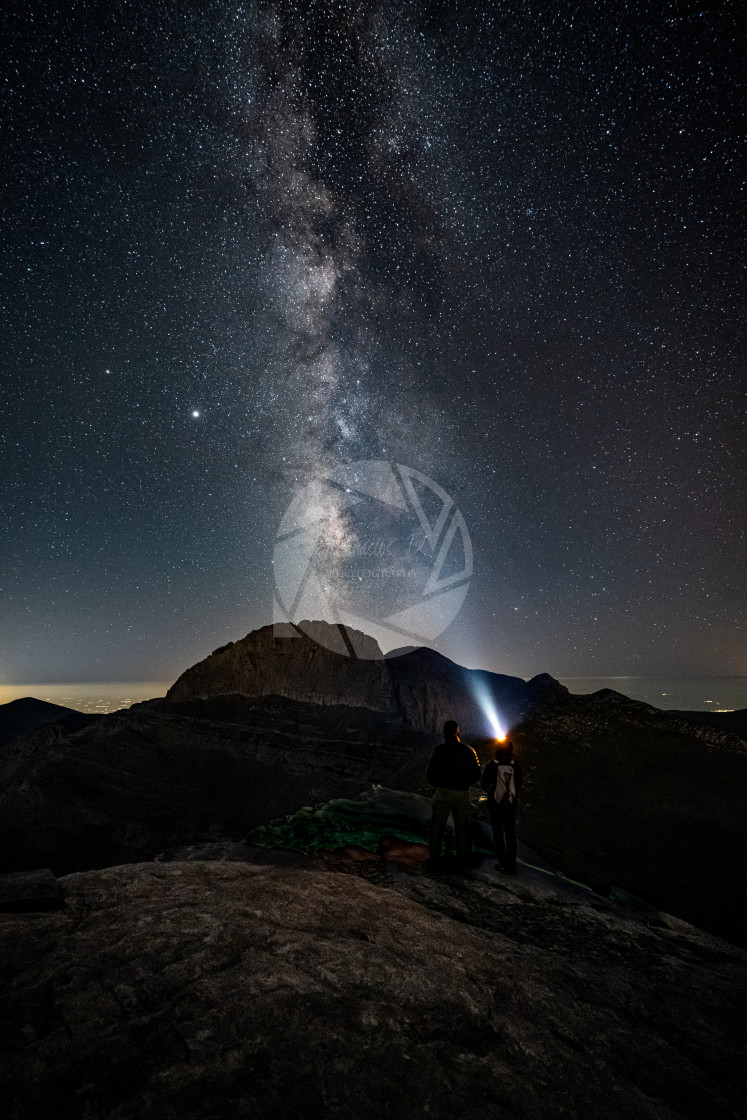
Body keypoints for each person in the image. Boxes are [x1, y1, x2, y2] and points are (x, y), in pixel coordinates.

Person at [425, 719, 481, 875]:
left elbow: (430, 774)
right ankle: (463, 864)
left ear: (444, 733)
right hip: (461, 793)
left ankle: (434, 862)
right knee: (462, 828)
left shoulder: (439, 751)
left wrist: (439, 784)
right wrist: (464, 784)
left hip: (443, 792)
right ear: (457, 731)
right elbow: (477, 774)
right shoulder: (469, 751)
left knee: (437, 827)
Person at [481, 739, 523, 874]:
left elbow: (484, 784)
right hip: (511, 805)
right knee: (511, 833)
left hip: (495, 805)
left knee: (498, 832)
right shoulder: (515, 766)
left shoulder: (492, 765)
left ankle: (502, 862)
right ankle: (512, 865)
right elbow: (519, 784)